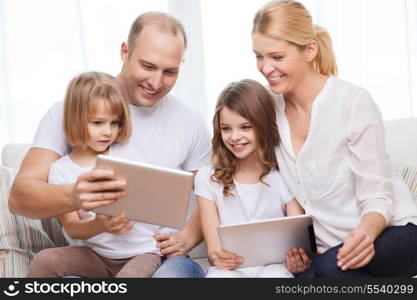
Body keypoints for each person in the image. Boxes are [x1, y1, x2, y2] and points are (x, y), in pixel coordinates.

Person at [9, 12, 211, 278]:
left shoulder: (191, 122)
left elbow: (212, 193)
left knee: (170, 276)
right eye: (148, 66)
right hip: (94, 255)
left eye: (170, 71)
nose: (156, 82)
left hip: (158, 258)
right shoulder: (70, 113)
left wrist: (187, 236)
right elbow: (20, 198)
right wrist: (74, 196)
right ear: (125, 51)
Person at [251, 0, 417, 277]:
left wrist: (363, 235)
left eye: (277, 57)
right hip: (330, 248)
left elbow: (377, 196)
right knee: (306, 275)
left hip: (389, 230)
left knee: (329, 269)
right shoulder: (269, 108)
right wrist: (300, 250)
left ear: (310, 50)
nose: (266, 68)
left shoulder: (352, 102)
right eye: (259, 56)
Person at [26, 71, 166, 278]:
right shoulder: (61, 170)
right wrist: (100, 225)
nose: (108, 132)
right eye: (98, 123)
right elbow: (73, 228)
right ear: (75, 120)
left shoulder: (127, 153)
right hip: (97, 256)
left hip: (142, 252)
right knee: (45, 260)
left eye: (114, 123)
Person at [195, 79, 307, 277]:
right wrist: (218, 256)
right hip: (228, 270)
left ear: (262, 126)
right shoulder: (207, 178)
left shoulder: (283, 175)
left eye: (245, 127)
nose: (234, 137)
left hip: (275, 267)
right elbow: (213, 250)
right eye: (226, 128)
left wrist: (298, 260)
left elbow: (298, 241)